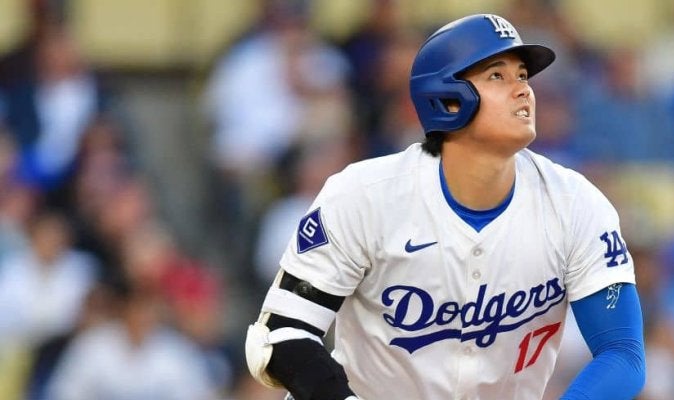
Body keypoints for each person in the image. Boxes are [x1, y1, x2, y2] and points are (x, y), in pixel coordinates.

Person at [244, 14, 646, 400]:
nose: (523, 89)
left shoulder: (574, 204)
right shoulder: (364, 196)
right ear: (448, 100)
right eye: (497, 76)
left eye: (523, 75)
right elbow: (281, 335)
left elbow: (622, 354)